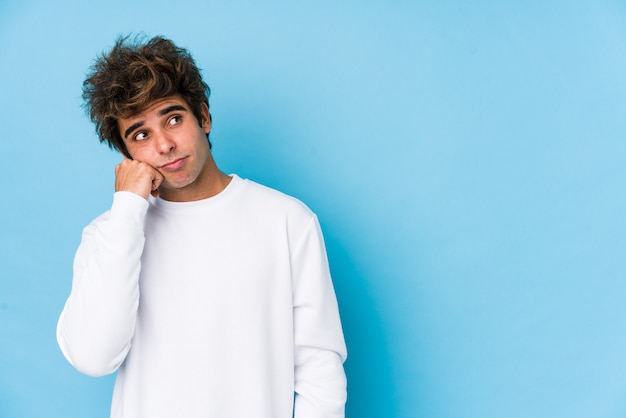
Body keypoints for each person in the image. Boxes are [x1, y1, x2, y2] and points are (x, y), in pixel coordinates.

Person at [56, 35, 347, 418]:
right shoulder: (110, 234)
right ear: (128, 156)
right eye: (140, 135)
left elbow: (318, 368)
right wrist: (127, 210)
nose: (163, 145)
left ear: (204, 118)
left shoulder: (287, 220)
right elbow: (93, 357)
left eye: (173, 119)